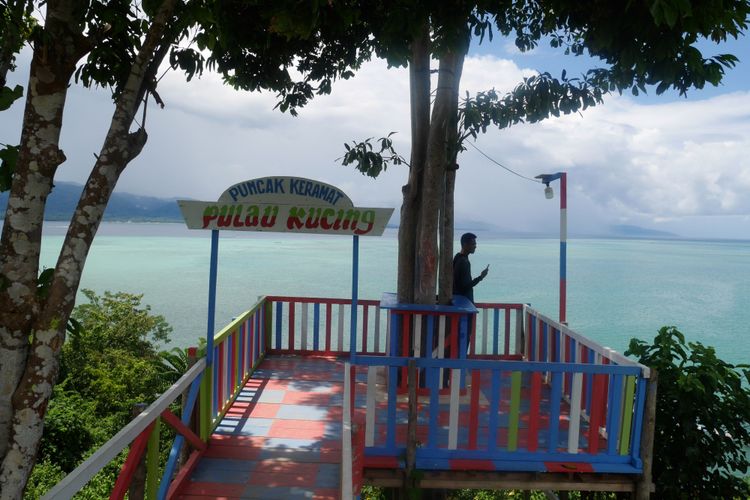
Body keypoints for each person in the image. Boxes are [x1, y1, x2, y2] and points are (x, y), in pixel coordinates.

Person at [452, 232, 489, 304]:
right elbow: (465, 287)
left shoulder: (457, 257)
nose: (475, 246)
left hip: (457, 300)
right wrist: (481, 277)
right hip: (464, 303)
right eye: (473, 244)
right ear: (465, 245)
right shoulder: (464, 262)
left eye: (475, 244)